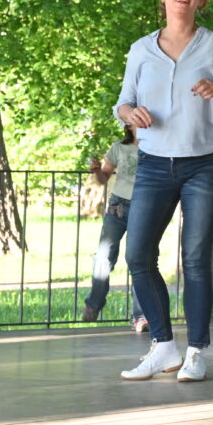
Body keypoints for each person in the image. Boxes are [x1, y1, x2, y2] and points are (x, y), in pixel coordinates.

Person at [115, 0, 213, 383]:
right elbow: (123, 104)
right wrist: (130, 113)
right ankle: (164, 346)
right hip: (153, 163)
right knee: (137, 255)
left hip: (204, 163)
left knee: (196, 258)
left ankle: (196, 350)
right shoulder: (140, 49)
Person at [82, 125, 147, 331]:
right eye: (135, 119)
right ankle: (94, 304)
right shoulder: (119, 148)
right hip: (118, 206)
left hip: (144, 205)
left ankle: (141, 317)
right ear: (128, 125)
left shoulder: (156, 148)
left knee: (139, 260)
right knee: (103, 255)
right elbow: (104, 179)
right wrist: (97, 172)